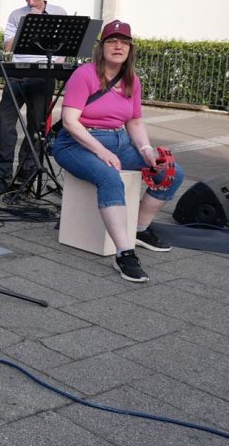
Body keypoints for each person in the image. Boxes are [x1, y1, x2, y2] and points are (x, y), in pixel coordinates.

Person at [52, 20, 184, 283]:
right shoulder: (85, 74)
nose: (118, 46)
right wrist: (101, 151)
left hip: (119, 141)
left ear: (130, 49)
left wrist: (146, 150)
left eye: (124, 42)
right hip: (76, 143)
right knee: (110, 177)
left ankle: (139, 228)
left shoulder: (131, 81)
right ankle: (125, 254)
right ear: (102, 48)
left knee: (172, 172)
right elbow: (70, 121)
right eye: (112, 41)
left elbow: (134, 121)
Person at [0, 0, 67, 185]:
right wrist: (28, 24)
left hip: (43, 74)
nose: (31, 3)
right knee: (6, 121)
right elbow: (8, 47)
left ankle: (26, 173)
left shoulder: (59, 12)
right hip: (17, 73)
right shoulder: (17, 14)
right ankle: (2, 169)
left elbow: (65, 45)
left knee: (36, 126)